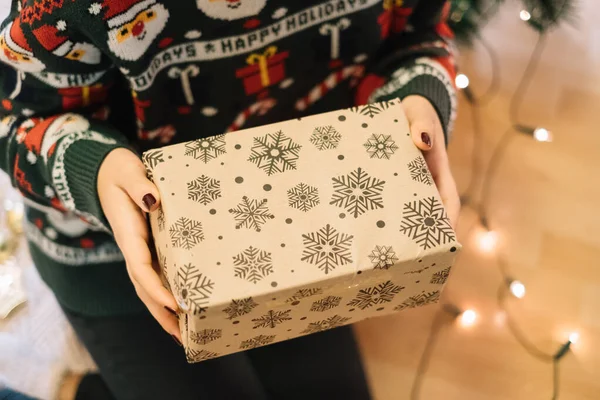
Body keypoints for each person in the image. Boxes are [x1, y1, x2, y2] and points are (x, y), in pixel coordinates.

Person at [0, 0, 460, 399]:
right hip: (109, 255)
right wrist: (93, 170)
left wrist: (420, 94)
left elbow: (420, 36)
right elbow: (15, 119)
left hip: (311, 222)